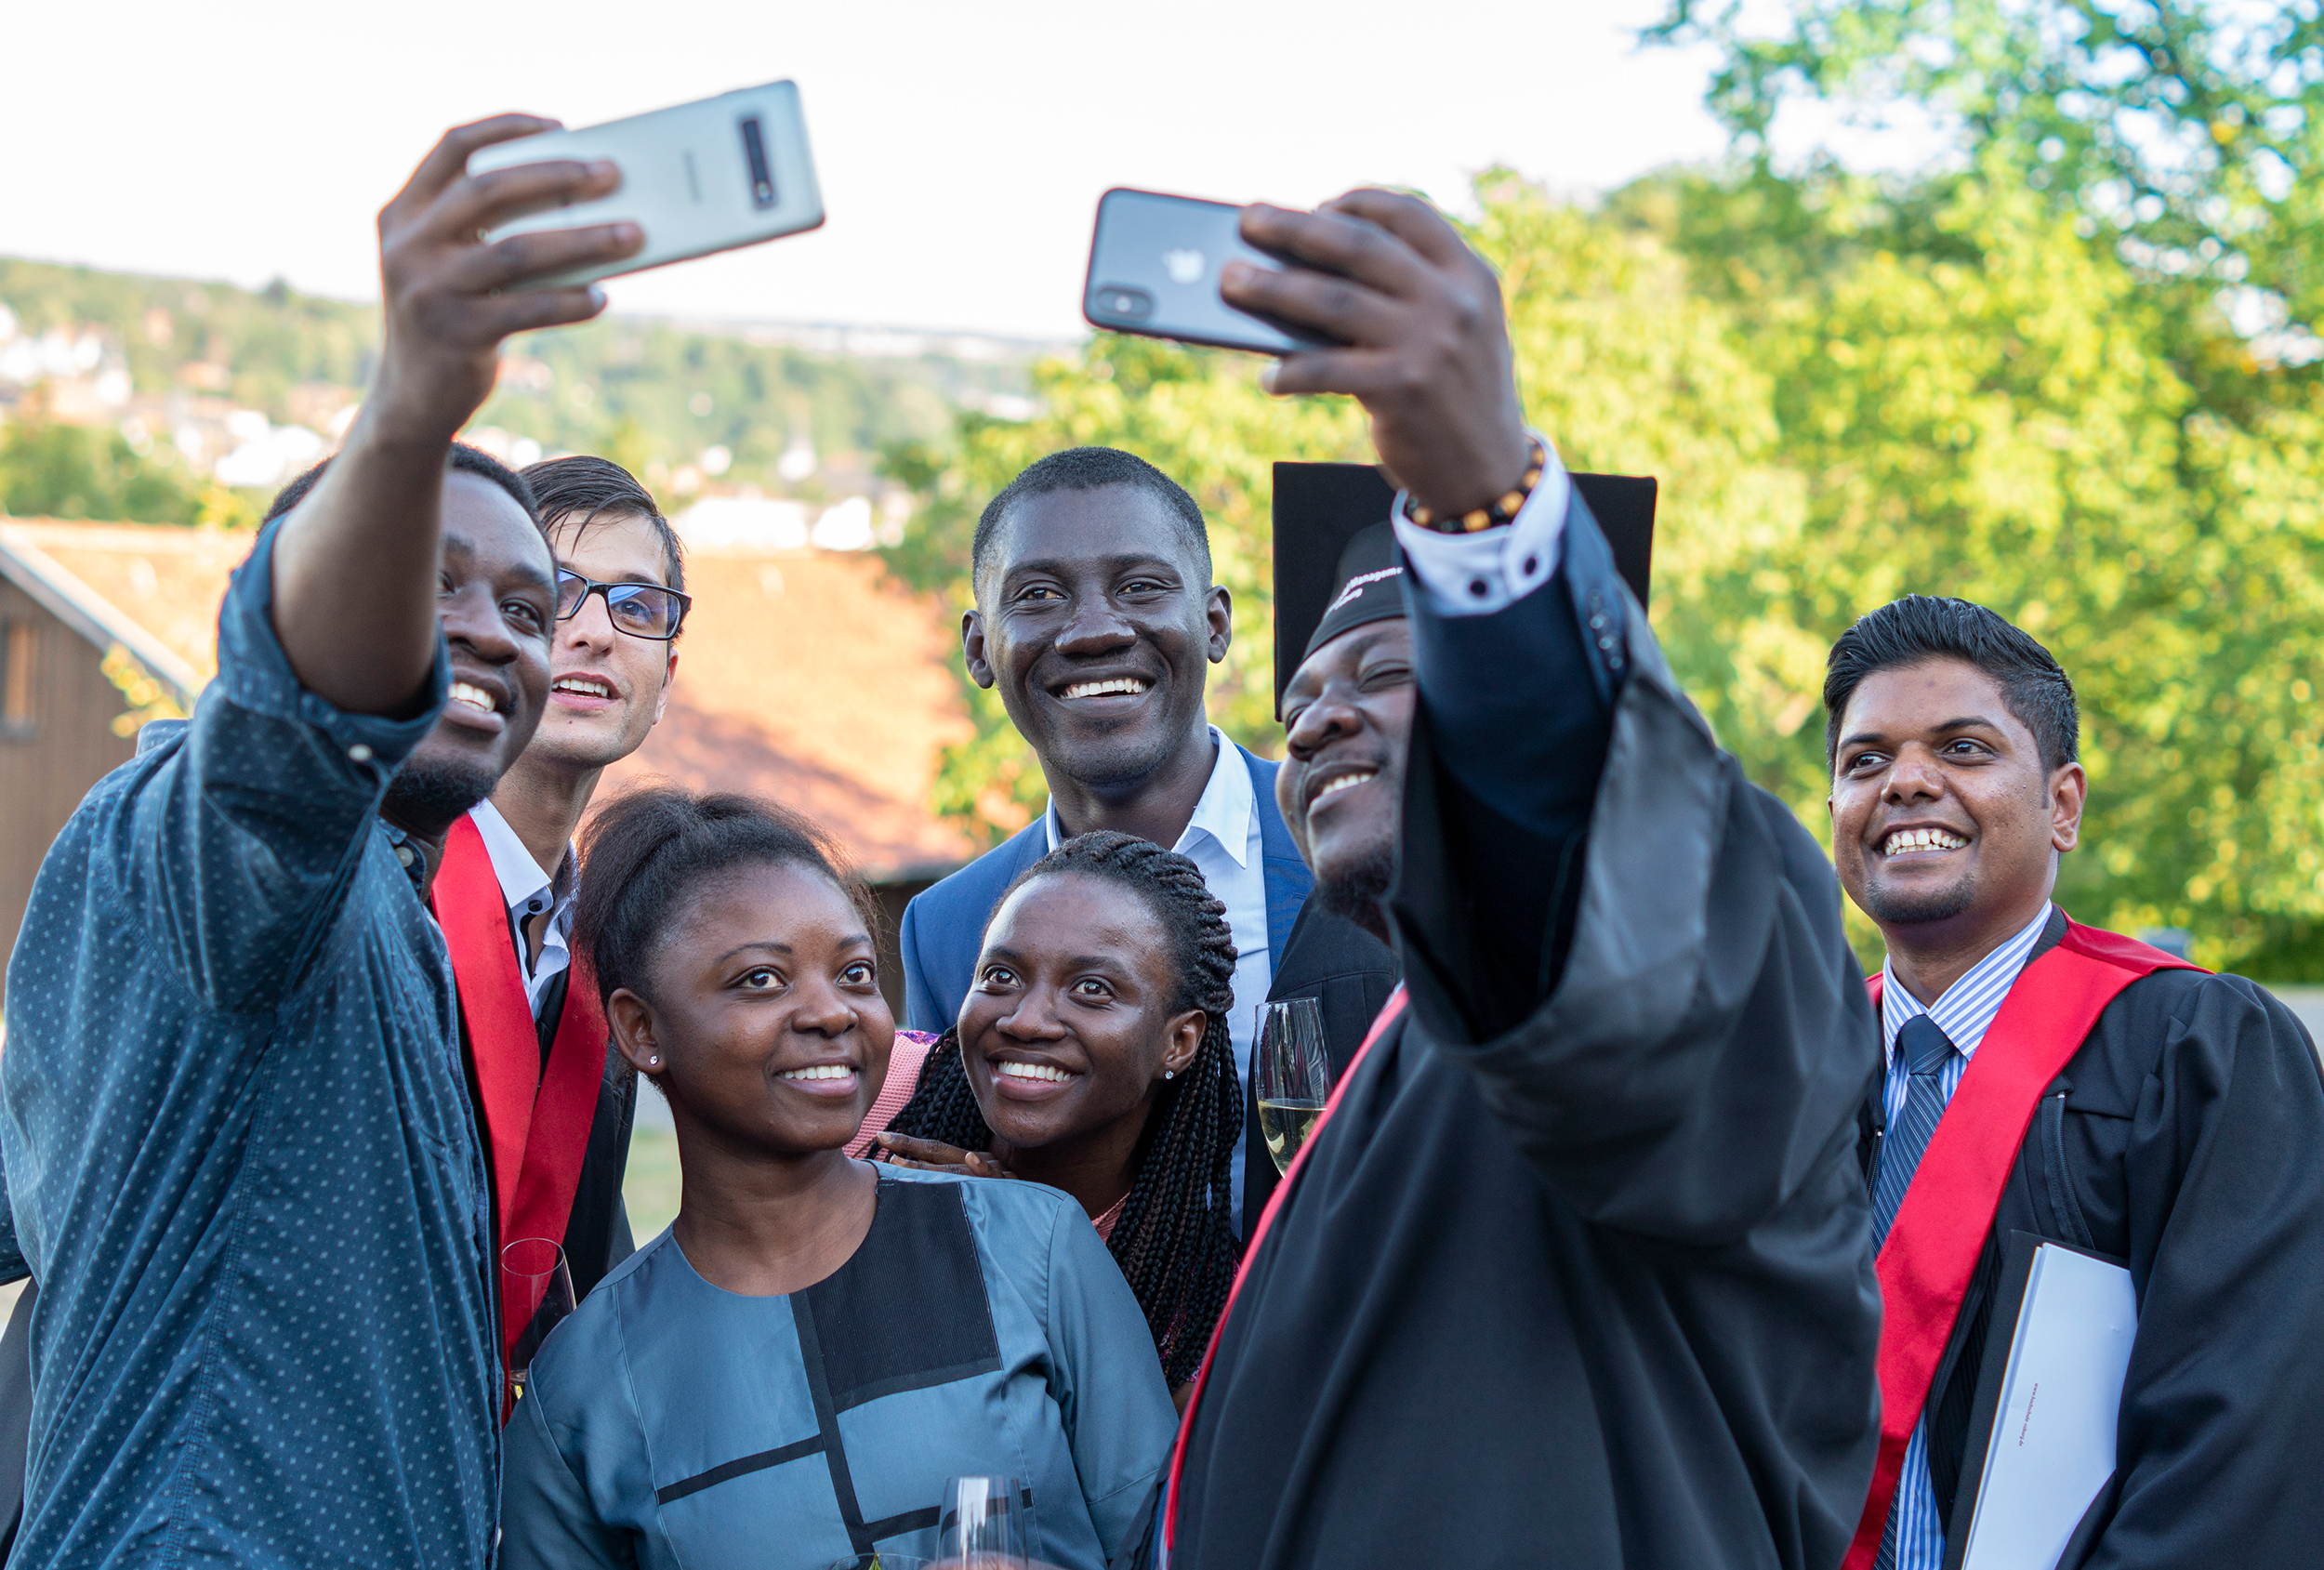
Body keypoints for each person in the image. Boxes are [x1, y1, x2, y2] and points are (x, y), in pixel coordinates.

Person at [1153, 190, 1883, 1569]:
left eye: (1383, 670)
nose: (1313, 721)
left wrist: (1485, 502)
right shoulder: (1399, 1040)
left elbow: (1605, 909)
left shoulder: (1729, 907)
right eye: (1297, 700)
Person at [0, 117, 642, 1567]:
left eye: (531, 611)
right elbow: (300, 722)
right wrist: (411, 406)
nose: (490, 630)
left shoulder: (368, 902)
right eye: (434, 577)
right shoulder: (232, 850)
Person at [498, 790, 1175, 1570]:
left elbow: (1176, 1539)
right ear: (642, 1029)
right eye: (760, 979)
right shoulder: (582, 1390)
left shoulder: (1034, 1246)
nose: (831, 1011)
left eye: (854, 971)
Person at [1822, 595, 2324, 1568]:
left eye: (1962, 749)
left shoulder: (2196, 1051)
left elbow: (2242, 1435)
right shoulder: (1784, 1073)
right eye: (1864, 761)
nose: (1906, 783)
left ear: (2062, 805)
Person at [893, 446, 1341, 1231]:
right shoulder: (948, 929)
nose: (1095, 629)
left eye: (1140, 586)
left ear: (1214, 622)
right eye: (1037, 594)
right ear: (978, 648)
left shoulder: (1358, 855)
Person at [876, 831, 1244, 1402]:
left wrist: (1032, 1252)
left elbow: (1105, 1482)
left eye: (1092, 988)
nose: (1026, 1020)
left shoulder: (1190, 1301)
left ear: (1179, 1041)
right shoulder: (877, 1086)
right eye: (1001, 976)